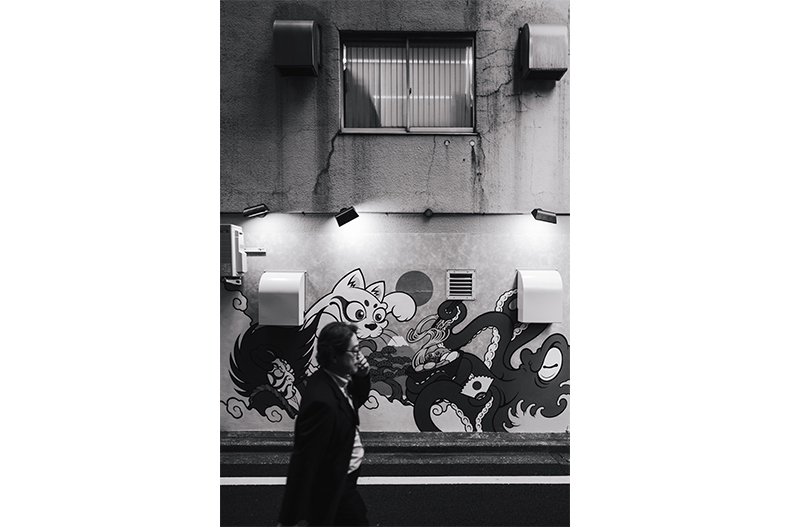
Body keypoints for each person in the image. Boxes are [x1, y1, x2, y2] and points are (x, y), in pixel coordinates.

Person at [278, 322, 371, 526]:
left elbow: (353, 403)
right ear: (335, 356)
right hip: (335, 486)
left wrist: (362, 376)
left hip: (343, 481)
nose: (359, 356)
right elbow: (304, 460)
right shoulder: (322, 404)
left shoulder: (331, 379)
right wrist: (288, 520)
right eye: (354, 351)